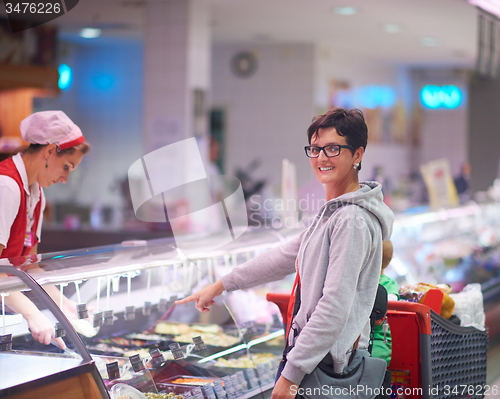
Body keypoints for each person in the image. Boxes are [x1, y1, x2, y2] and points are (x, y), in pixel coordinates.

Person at [176, 108, 394, 399]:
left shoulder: (351, 219)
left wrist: (291, 375)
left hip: (328, 367)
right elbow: (283, 256)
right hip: (314, 358)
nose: (321, 158)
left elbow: (334, 306)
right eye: (315, 149)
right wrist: (222, 284)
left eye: (333, 149)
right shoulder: (332, 213)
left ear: (357, 155)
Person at [0, 110, 90, 347]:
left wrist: (62, 303)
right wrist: (32, 313)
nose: (64, 179)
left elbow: (29, 263)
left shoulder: (37, 194)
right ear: (50, 151)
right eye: (67, 167)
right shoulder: (7, 186)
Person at [372, 240, 399, 398]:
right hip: (381, 350)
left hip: (367, 351)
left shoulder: (358, 282)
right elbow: (393, 303)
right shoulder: (389, 283)